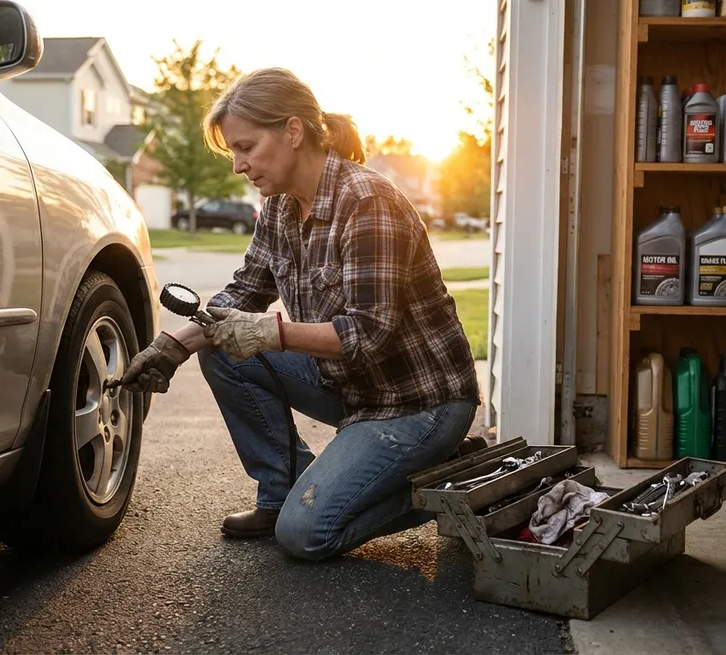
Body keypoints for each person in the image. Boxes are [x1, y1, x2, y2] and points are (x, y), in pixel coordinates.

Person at [117, 68, 484, 561]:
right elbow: (245, 292)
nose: (238, 167)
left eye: (246, 147)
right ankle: (281, 491)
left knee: (307, 534)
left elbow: (369, 333)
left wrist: (272, 333)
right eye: (233, 153)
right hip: (353, 389)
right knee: (223, 354)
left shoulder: (368, 201)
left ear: (292, 132)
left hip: (418, 403)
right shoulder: (279, 207)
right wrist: (173, 346)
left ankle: (454, 475)